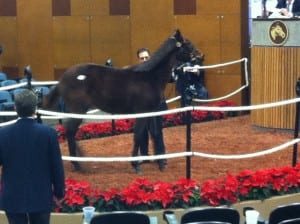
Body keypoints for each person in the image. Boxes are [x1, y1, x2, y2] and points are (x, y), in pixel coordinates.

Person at [0, 89, 65, 224]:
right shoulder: (49, 133)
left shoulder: (2, 134)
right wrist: (59, 192)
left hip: (13, 198)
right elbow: (56, 166)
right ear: (35, 108)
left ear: (15, 108)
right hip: (41, 197)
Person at [133, 48, 167, 171]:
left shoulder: (157, 71)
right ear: (138, 59)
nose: (144, 60)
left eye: (146, 57)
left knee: (157, 131)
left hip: (156, 106)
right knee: (141, 131)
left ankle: (161, 156)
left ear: (150, 57)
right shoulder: (136, 72)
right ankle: (144, 155)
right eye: (142, 58)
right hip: (140, 107)